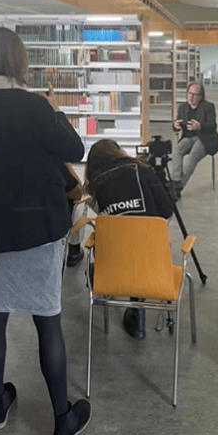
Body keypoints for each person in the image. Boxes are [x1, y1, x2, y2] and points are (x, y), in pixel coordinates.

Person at [0, 27, 91, 435]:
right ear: (17, 60)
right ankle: (63, 417)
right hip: (37, 223)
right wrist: (54, 110)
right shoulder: (34, 108)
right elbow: (74, 150)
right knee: (48, 321)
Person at [84, 139, 174, 339]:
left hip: (113, 263)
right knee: (140, 236)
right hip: (153, 258)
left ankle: (121, 300)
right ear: (118, 152)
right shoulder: (142, 169)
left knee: (112, 238)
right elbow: (167, 210)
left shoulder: (95, 184)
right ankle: (138, 310)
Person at [169, 82, 218, 199]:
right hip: (188, 137)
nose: (191, 97)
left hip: (205, 138)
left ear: (201, 96)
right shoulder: (183, 107)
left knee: (192, 156)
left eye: (195, 95)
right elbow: (176, 124)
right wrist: (175, 125)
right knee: (177, 151)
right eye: (190, 94)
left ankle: (176, 189)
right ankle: (175, 181)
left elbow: (213, 126)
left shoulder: (208, 106)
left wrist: (200, 126)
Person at [59, 162, 85, 268]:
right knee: (81, 203)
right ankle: (74, 250)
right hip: (56, 222)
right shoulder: (56, 165)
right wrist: (68, 166)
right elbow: (78, 193)